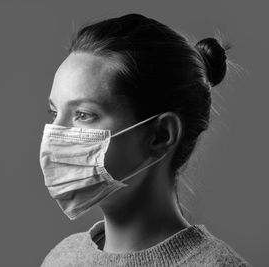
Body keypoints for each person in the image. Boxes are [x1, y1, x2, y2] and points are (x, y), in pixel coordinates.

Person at [39, 13, 251, 267]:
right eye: (54, 112)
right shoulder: (62, 258)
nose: (55, 132)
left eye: (83, 115)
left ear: (161, 135)